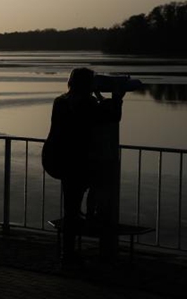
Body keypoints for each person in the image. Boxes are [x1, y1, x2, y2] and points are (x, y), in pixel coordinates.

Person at [46, 67, 123, 267]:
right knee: (98, 186)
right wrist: (117, 97)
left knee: (70, 208)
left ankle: (68, 252)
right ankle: (92, 219)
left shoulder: (60, 102)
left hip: (61, 159)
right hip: (80, 162)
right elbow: (111, 116)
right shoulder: (86, 103)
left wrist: (98, 97)